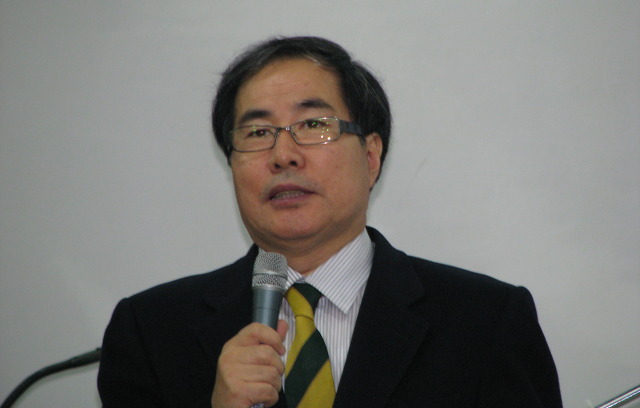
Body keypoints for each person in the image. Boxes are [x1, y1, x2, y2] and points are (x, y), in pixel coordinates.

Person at [97, 36, 563, 408]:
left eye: (314, 125)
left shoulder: (486, 321)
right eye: (258, 132)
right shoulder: (151, 331)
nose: (283, 155)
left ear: (371, 156)